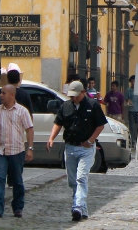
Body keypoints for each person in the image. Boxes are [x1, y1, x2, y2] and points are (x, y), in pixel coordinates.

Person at [47, 81, 106, 222]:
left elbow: (100, 125)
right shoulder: (65, 106)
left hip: (86, 148)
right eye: (71, 96)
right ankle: (82, 210)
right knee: (72, 181)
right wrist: (51, 138)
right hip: (70, 147)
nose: (73, 98)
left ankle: (77, 207)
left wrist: (91, 140)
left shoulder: (93, 105)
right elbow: (58, 123)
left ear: (83, 92)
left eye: (76, 96)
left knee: (81, 178)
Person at [0, 84, 34, 218]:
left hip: (16, 150)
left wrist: (30, 148)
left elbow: (29, 129)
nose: (0, 95)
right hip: (0, 150)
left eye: (3, 93)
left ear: (12, 95)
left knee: (17, 180)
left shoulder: (22, 111)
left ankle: (18, 207)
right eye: (0, 93)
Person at [125, 76, 138, 148]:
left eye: (135, 81)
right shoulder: (128, 90)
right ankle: (132, 141)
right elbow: (126, 99)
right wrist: (128, 102)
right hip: (131, 110)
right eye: (132, 81)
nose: (133, 83)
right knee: (132, 127)